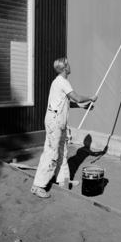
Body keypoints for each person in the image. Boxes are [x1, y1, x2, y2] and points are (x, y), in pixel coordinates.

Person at [30, 57, 98, 198]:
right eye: (69, 65)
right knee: (51, 153)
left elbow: (66, 102)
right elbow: (77, 97)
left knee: (62, 150)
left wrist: (80, 107)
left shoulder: (58, 83)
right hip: (55, 122)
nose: (70, 66)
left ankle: (63, 180)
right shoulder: (62, 82)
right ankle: (38, 186)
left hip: (58, 121)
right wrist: (90, 98)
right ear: (65, 68)